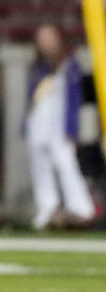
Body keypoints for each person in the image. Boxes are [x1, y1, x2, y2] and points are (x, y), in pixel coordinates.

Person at [25, 24, 96, 230]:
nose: (46, 43)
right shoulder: (38, 66)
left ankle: (82, 209)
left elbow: (75, 99)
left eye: (50, 38)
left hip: (59, 126)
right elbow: (31, 99)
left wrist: (72, 127)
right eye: (42, 38)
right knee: (41, 170)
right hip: (38, 125)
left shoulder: (69, 65)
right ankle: (47, 211)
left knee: (67, 165)